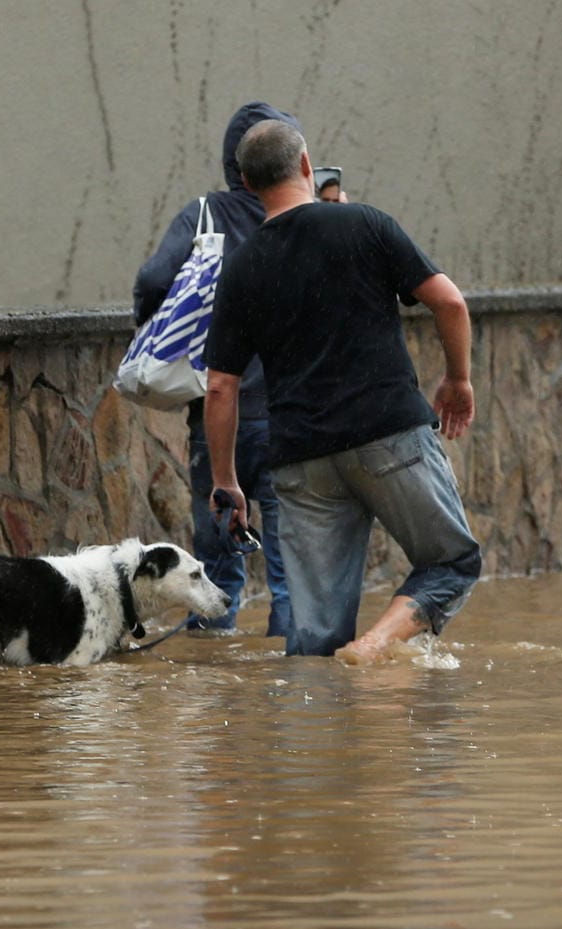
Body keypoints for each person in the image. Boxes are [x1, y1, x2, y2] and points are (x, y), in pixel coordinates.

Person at [201, 118, 482, 664]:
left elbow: (219, 387)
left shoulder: (239, 268)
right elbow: (449, 303)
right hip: (389, 436)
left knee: (313, 641)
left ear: (249, 184)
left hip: (301, 462)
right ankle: (378, 643)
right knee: (452, 562)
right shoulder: (365, 224)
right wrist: (458, 378)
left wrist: (226, 482)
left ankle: (312, 746)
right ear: (307, 165)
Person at [133, 102, 294, 637]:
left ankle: (217, 685)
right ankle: (294, 684)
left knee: (217, 561)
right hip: (290, 415)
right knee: (290, 565)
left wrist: (165, 334)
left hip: (216, 413)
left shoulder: (204, 214)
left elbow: (156, 277)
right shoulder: (301, 217)